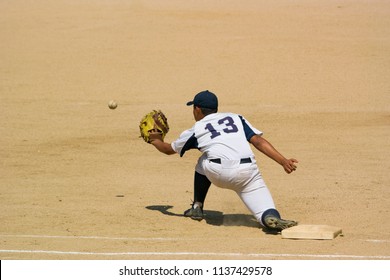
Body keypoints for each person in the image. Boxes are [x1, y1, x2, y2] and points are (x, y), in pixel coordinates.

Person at [148, 90, 298, 231]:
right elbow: (258, 141)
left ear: (198, 109)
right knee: (264, 210)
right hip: (247, 173)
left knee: (203, 160)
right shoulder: (236, 118)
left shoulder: (197, 128)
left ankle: (197, 206)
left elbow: (168, 150)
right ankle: (269, 217)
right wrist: (283, 161)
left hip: (218, 173)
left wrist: (155, 140)